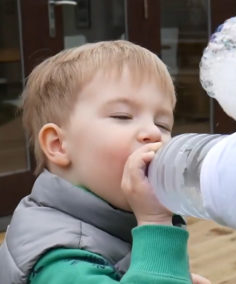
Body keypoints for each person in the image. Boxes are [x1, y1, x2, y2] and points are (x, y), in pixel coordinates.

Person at [0, 40, 210, 284]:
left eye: (162, 124)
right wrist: (156, 225)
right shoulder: (62, 261)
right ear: (58, 144)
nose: (153, 133)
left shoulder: (115, 221)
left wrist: (170, 273)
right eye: (122, 116)